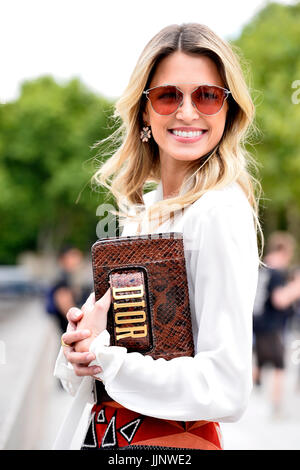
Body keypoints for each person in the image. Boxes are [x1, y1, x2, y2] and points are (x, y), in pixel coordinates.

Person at [53, 23, 261, 450]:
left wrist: (107, 359)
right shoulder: (142, 213)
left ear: (229, 109)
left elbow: (227, 385)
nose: (187, 112)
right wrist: (82, 348)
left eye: (207, 95)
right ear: (145, 112)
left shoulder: (218, 210)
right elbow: (124, 351)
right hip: (115, 438)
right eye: (168, 96)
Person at [253, 231, 300, 416]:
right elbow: (279, 300)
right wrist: (296, 288)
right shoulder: (277, 273)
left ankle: (256, 391)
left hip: (258, 321)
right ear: (283, 252)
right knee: (280, 366)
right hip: (271, 325)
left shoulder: (262, 268)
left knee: (261, 361)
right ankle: (276, 405)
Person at [45, 245, 89, 334]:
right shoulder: (61, 283)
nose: (78, 261)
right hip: (71, 335)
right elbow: (70, 313)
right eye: (73, 256)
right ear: (63, 260)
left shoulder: (74, 280)